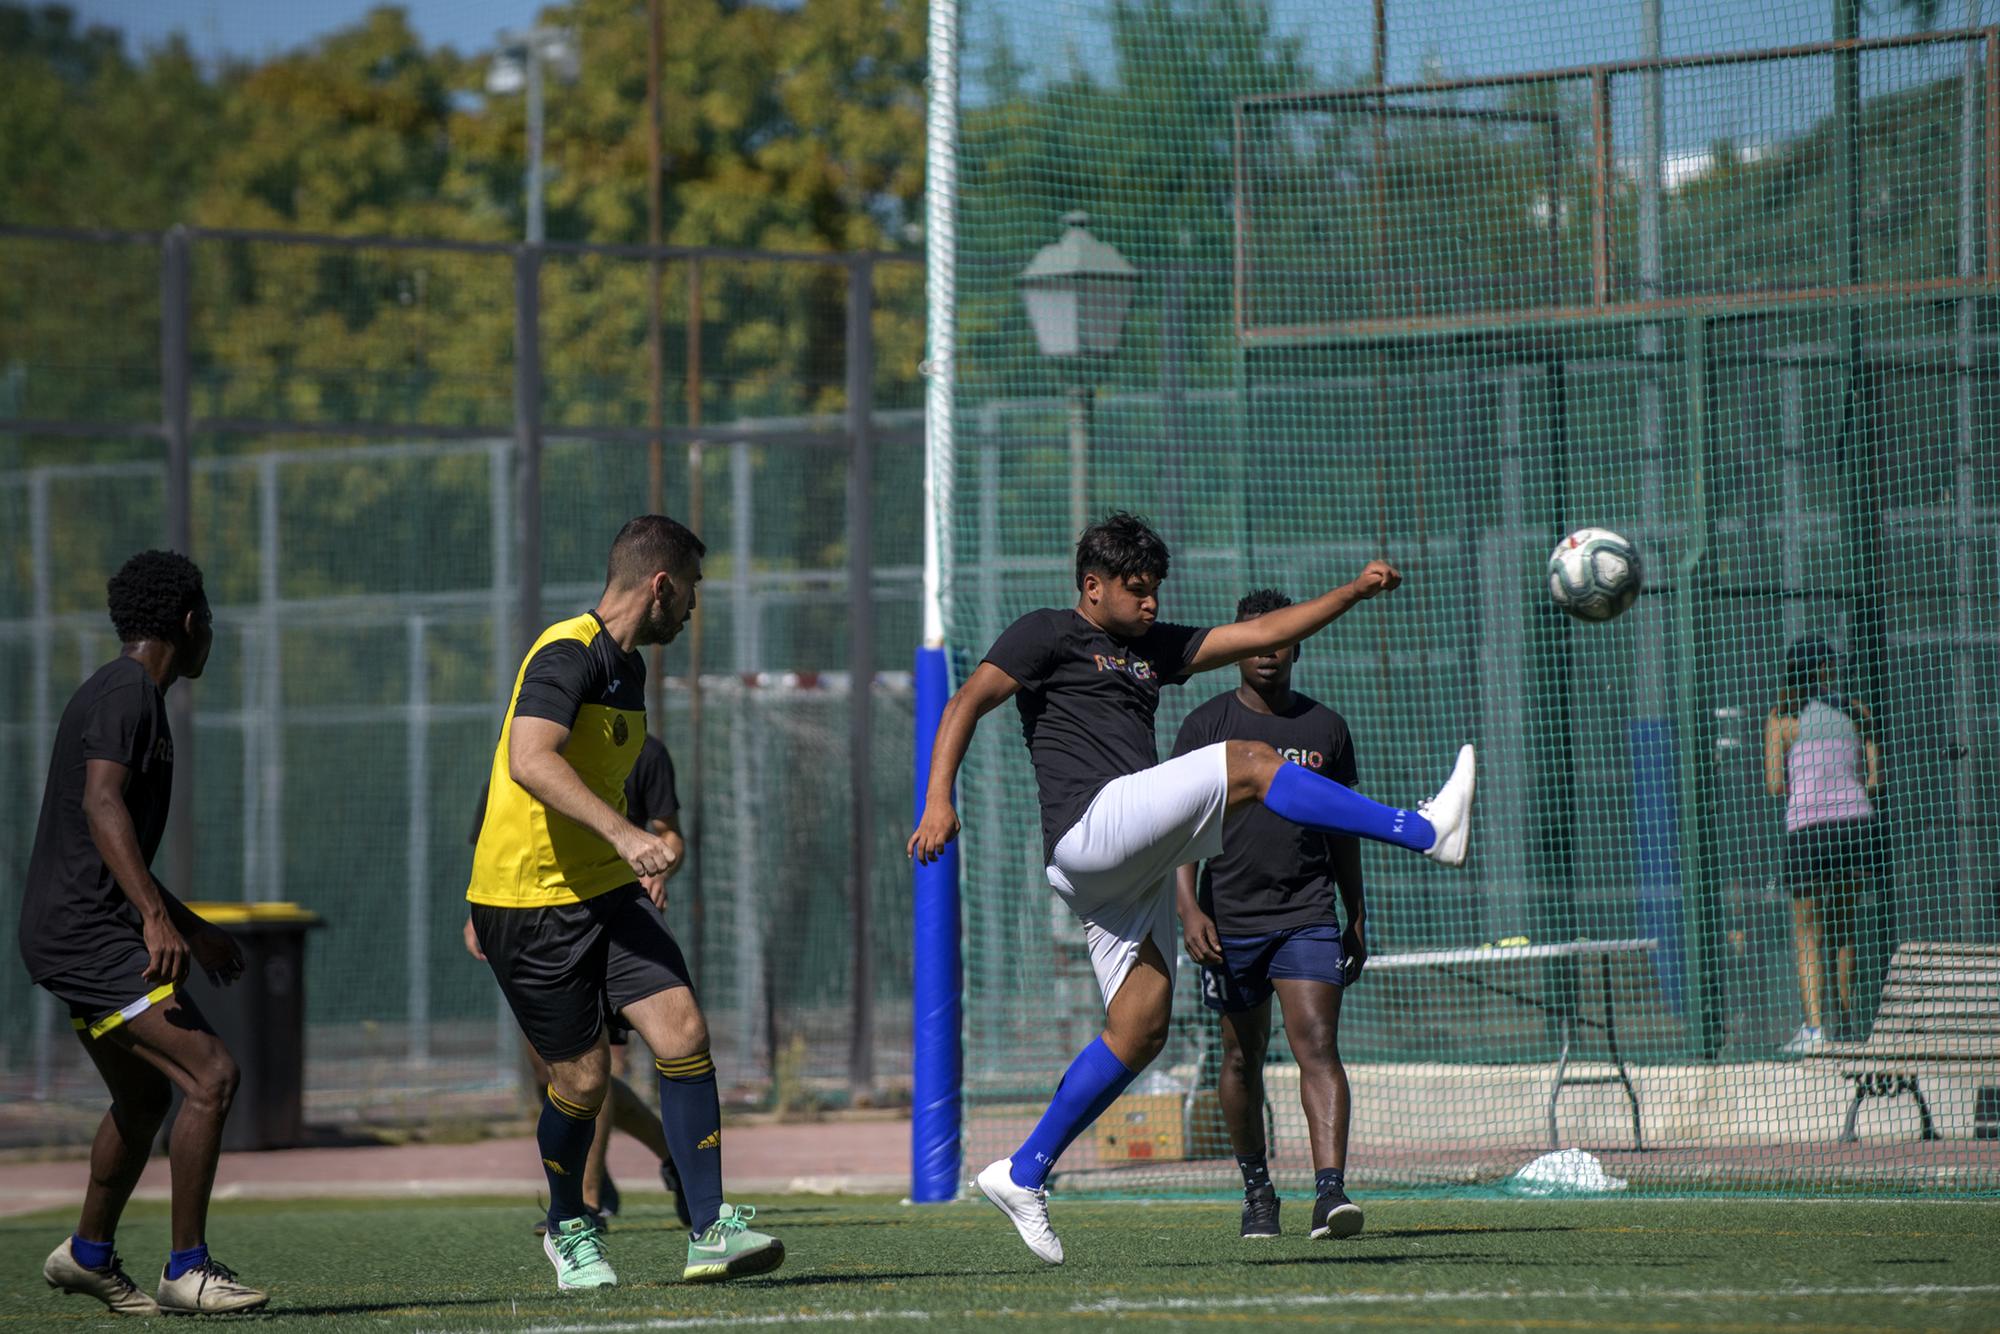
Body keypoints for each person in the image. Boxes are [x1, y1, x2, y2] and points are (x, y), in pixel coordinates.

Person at [909, 513, 1474, 1264]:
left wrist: (1353, 592)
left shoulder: (1157, 649)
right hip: (1092, 826)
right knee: (1248, 758)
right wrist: (938, 799)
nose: (1149, 603)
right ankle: (1421, 830)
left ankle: (1023, 1170)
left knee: (1141, 1028)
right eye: (1135, 590)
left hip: (1126, 860)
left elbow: (1261, 631)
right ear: (1092, 586)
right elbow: (964, 703)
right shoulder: (1046, 632)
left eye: (1155, 591)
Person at [468, 514, 781, 1290]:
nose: (695, 611)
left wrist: (651, 845)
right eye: (693, 593)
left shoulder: (629, 671)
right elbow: (529, 759)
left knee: (682, 1029)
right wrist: (624, 834)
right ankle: (568, 1225)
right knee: (580, 1082)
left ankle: (709, 1228)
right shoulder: (566, 651)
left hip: (602, 893)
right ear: (661, 586)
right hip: (529, 898)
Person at [22, 550, 268, 1315]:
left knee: (141, 1099)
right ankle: (186, 1270)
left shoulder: (130, 695)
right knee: (212, 1074)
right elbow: (103, 809)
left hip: (77, 927)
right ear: (190, 623)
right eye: (212, 623)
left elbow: (110, 839)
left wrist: (188, 928)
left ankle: (88, 1255)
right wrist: (156, 919)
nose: (212, 638)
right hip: (88, 935)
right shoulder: (128, 692)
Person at [1172, 589, 1366, 1242]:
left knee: (1317, 1044)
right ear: (1237, 646)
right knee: (1239, 1057)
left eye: (1279, 636)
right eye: (1254, 636)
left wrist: (1356, 913)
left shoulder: (1326, 729)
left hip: (1307, 914)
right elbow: (1179, 829)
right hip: (1228, 925)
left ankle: (1330, 1192)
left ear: (1297, 642)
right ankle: (1258, 1192)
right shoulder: (1203, 728)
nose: (1268, 648)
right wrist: (1189, 906)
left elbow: (1345, 831)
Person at [463, 732, 692, 1231]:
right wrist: (475, 914)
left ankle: (585, 1204)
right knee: (564, 1075)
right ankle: (673, 1155)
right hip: (531, 922)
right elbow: (492, 841)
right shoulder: (524, 748)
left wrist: (661, 866)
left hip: (610, 921)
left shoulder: (641, 748)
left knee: (596, 1062)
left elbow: (669, 833)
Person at [1763, 637, 1882, 1053]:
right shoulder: (1858, 712)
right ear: (1825, 670)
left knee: (1807, 933)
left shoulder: (1781, 719)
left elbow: (1776, 785)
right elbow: (1873, 780)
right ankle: (1847, 1025)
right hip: (1855, 826)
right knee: (1844, 928)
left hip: (1808, 831)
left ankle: (1815, 1031)